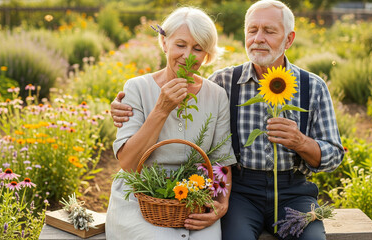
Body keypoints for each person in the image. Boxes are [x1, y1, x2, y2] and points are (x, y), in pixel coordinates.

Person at [110, 1, 344, 239]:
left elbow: (334, 156)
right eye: (252, 30)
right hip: (242, 192)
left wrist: (301, 142)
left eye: (269, 31)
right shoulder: (224, 82)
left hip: (293, 192)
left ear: (289, 39)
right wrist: (124, 106)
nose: (258, 38)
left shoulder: (311, 86)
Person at [105, 6, 237, 240]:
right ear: (164, 43)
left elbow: (221, 160)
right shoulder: (136, 88)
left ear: (207, 55)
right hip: (141, 197)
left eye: (197, 48)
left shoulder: (216, 95)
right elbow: (128, 163)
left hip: (194, 198)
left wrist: (222, 203)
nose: (187, 55)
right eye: (180, 45)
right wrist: (161, 108)